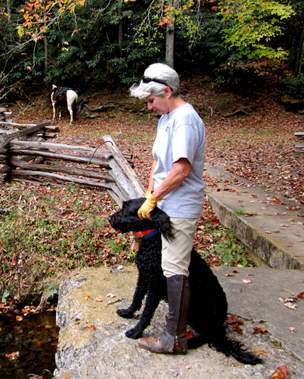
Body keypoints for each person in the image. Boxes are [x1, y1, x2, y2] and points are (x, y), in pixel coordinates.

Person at [130, 63, 205, 355]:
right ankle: (177, 329)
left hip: (181, 205)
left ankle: (174, 338)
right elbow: (158, 163)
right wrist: (151, 192)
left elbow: (181, 170)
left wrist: (154, 199)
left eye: (151, 100)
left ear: (167, 91)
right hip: (165, 201)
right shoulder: (166, 116)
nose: (149, 107)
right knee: (169, 264)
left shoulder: (184, 119)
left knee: (175, 268)